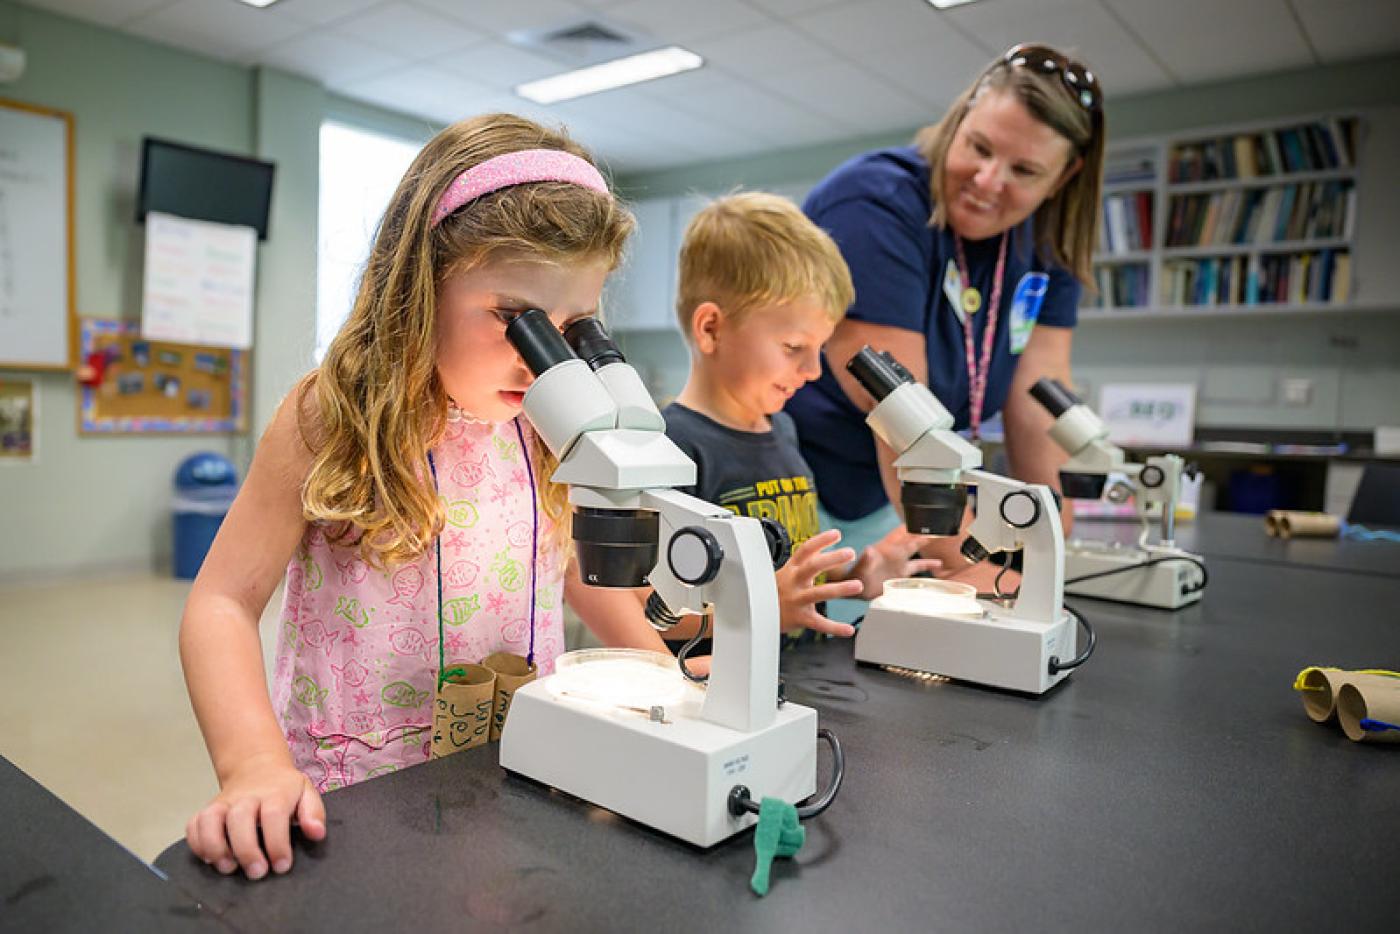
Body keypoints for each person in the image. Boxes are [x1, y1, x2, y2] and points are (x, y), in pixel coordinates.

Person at [179, 114, 674, 881]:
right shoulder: (329, 416)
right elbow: (221, 602)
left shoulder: (551, 422)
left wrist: (667, 684)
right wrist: (251, 766)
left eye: (571, 327)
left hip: (519, 767)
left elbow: (584, 575)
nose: (539, 356)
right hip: (358, 787)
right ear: (421, 284)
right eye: (516, 318)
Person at [786, 43, 1106, 594]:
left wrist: (1053, 543)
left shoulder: (1048, 241)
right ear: (958, 120)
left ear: (1064, 176)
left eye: (1024, 170)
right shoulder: (874, 205)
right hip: (809, 491)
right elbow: (901, 419)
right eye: (978, 147)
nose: (987, 181)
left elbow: (1040, 403)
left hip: (897, 502)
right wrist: (995, 581)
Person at [655, 191, 939, 653]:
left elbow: (791, 576)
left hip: (800, 685)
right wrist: (763, 610)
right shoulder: (674, 447)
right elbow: (648, 610)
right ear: (711, 329)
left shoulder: (782, 429)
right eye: (793, 348)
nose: (813, 372)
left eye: (819, 349)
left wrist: (855, 576)